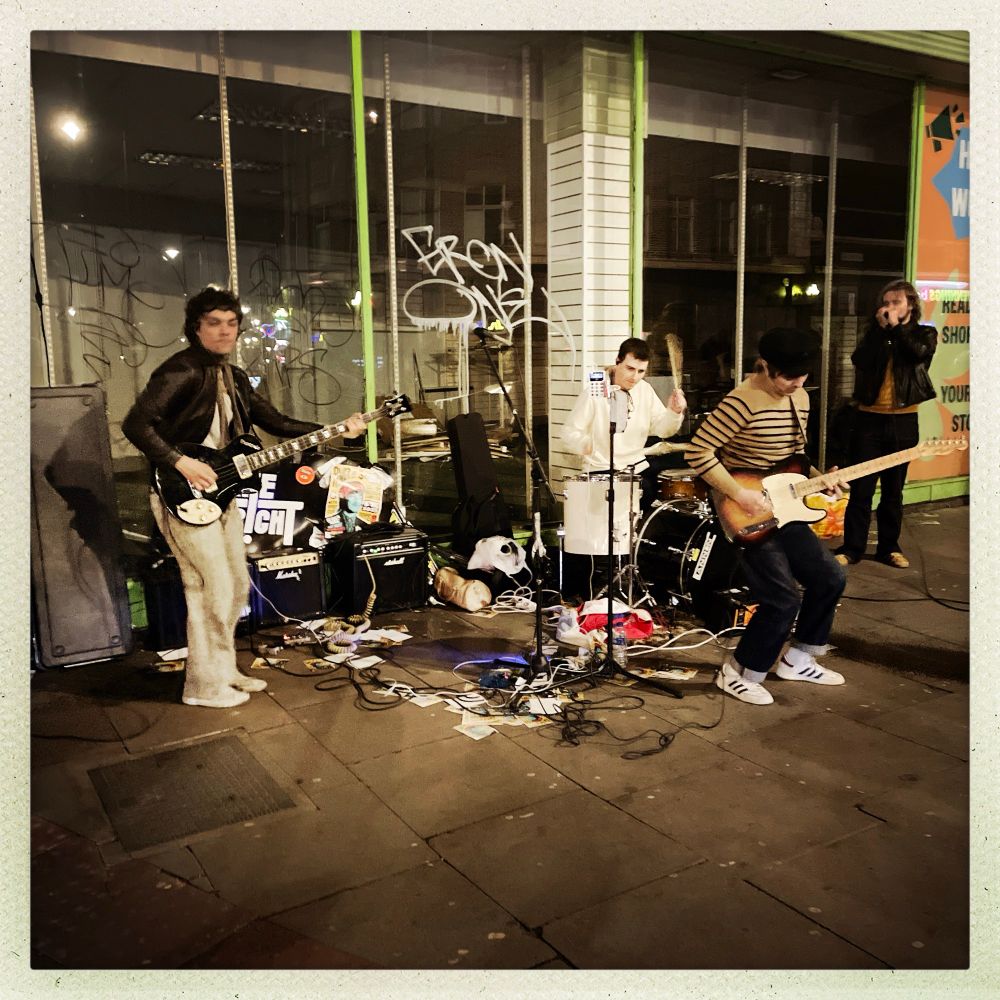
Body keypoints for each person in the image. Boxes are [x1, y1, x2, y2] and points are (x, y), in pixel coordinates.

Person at [123, 287, 365, 708]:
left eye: (231, 323)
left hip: (220, 492)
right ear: (195, 328)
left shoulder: (232, 376)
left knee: (235, 586)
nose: (224, 332)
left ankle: (223, 670)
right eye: (213, 323)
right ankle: (202, 686)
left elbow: (276, 420)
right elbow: (136, 425)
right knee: (208, 587)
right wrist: (180, 462)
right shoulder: (179, 371)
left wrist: (336, 428)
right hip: (182, 495)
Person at [684, 328, 848, 706]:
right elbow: (698, 453)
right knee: (781, 598)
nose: (796, 383)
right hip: (743, 509)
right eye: (788, 376)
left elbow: (794, 461)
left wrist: (819, 481)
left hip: (784, 504)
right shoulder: (741, 401)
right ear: (766, 366)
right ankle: (739, 671)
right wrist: (739, 492)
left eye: (803, 375)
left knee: (830, 577)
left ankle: (799, 658)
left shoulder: (800, 398)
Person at [834, 279, 937, 569]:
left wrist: (896, 329)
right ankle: (852, 548)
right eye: (886, 302)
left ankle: (889, 547)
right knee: (862, 487)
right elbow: (860, 360)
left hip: (904, 420)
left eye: (896, 302)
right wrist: (881, 332)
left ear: (911, 305)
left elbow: (917, 354)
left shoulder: (924, 333)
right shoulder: (875, 334)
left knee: (893, 490)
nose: (889, 307)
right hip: (868, 419)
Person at [561, 337, 687, 509]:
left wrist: (674, 412)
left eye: (641, 371)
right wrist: (585, 444)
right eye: (630, 369)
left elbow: (663, 430)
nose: (635, 377)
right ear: (617, 362)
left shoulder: (645, 390)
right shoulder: (596, 389)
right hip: (602, 468)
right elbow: (570, 432)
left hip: (635, 467)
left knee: (652, 491)